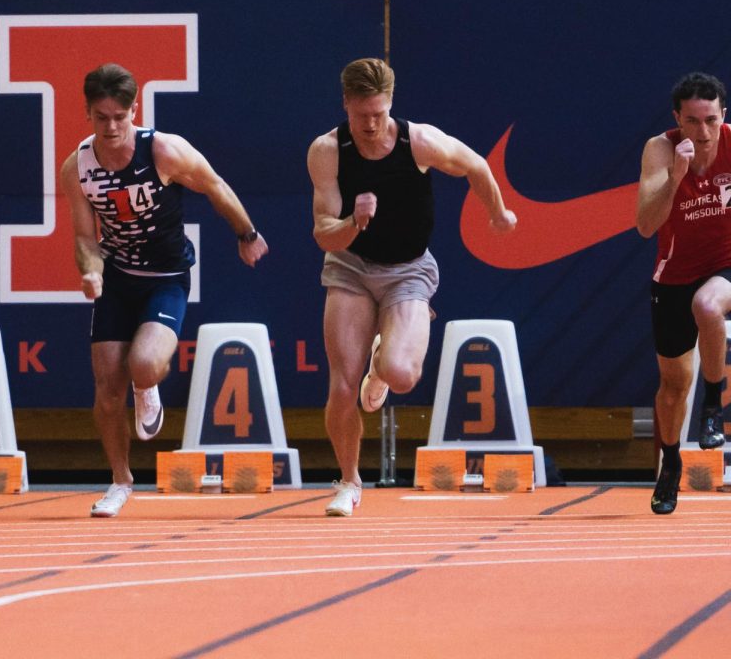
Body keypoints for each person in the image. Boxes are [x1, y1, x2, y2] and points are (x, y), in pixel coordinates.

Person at [308, 58, 517, 517]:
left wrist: (497, 213)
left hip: (408, 270)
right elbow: (324, 233)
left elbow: (476, 166)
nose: (369, 124)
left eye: (378, 114)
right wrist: (353, 222)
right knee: (342, 384)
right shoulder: (327, 150)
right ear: (345, 103)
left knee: (402, 374)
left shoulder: (418, 141)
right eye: (361, 114)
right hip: (349, 267)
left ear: (391, 105)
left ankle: (382, 364)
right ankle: (348, 481)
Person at [61, 63, 269, 518]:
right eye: (102, 118)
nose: (112, 127)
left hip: (166, 277)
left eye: (121, 116)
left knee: (144, 363)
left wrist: (246, 233)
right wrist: (91, 271)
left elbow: (214, 185)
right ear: (87, 114)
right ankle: (120, 481)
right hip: (116, 278)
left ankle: (147, 385)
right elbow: (83, 236)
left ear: (135, 110)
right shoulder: (78, 167)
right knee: (105, 389)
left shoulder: (164, 151)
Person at [635, 71, 731, 515]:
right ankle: (670, 463)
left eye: (711, 120)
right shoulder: (660, 148)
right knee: (673, 386)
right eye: (692, 121)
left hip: (724, 267)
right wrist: (675, 178)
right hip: (673, 274)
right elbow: (646, 225)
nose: (704, 132)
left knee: (708, 305)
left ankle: (714, 404)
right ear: (677, 118)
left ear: (723, 115)